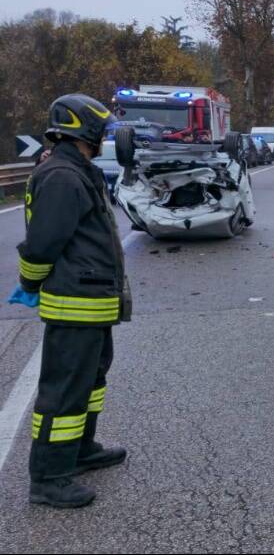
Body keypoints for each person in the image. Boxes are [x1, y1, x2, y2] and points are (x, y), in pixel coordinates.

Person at [9, 94, 129, 508]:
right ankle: (49, 476)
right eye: (102, 131)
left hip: (92, 300)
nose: (105, 138)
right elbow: (42, 245)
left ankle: (80, 449)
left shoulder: (77, 170)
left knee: (89, 383)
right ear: (85, 128)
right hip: (75, 302)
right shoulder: (62, 176)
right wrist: (30, 280)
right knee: (63, 392)